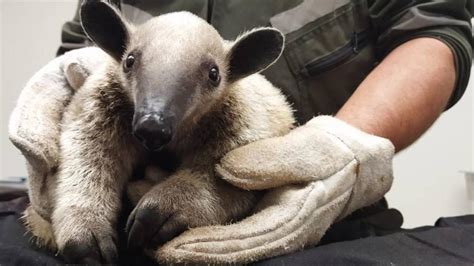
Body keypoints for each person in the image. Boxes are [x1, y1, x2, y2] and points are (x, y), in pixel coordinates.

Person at [1, 0, 474, 265]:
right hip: (121, 224)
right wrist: (80, 201)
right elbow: (86, 78)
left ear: (239, 68)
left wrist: (338, 153)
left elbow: (430, 31)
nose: (154, 121)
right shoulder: (113, 70)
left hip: (311, 221)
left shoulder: (244, 106)